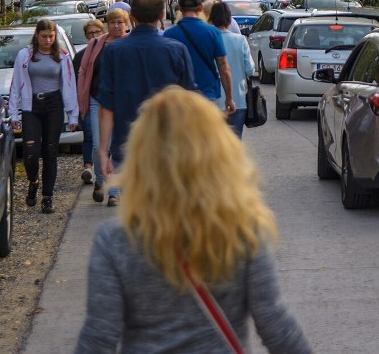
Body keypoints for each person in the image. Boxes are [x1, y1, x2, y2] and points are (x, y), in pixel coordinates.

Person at [74, 87, 312, 353]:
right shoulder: (243, 231)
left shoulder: (116, 240)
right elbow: (275, 325)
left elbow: (98, 338)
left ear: (142, 154)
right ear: (218, 151)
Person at [97, 0, 196, 207]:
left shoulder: (113, 52)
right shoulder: (177, 50)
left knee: (136, 217)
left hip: (127, 146)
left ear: (131, 17)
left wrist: (103, 152)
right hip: (168, 147)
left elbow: (106, 106)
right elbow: (190, 106)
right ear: (162, 15)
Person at [9, 19, 78, 214]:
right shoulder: (25, 55)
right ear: (37, 36)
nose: (47, 40)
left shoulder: (62, 57)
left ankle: (47, 197)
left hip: (53, 105)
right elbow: (16, 85)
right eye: (44, 36)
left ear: (55, 37)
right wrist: (13, 112)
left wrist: (73, 115)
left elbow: (69, 86)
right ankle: (33, 181)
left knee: (50, 152)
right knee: (30, 152)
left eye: (51, 36)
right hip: (31, 106)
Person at [77, 8, 130, 204]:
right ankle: (100, 180)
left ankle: (114, 191)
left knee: (117, 147)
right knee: (100, 145)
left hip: (122, 102)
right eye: (112, 22)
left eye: (120, 22)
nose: (116, 26)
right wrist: (81, 95)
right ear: (107, 24)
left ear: (127, 24)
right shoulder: (97, 43)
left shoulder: (130, 45)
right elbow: (83, 71)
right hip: (96, 100)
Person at [164, 0, 236, 114]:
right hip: (207, 95)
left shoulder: (169, 35)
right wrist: (229, 98)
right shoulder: (213, 33)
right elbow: (224, 69)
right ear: (200, 8)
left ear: (180, 8)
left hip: (179, 99)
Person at [210, 1, 254, 137]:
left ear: (211, 19)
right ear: (229, 19)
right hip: (238, 98)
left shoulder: (209, 39)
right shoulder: (240, 40)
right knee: (235, 143)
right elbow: (250, 69)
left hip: (214, 100)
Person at [73, 19, 106, 186]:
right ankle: (88, 167)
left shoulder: (109, 51)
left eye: (97, 32)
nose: (94, 36)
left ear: (102, 32)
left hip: (106, 100)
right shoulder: (80, 56)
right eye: (90, 33)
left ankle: (103, 169)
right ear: (86, 36)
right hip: (89, 99)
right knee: (90, 134)